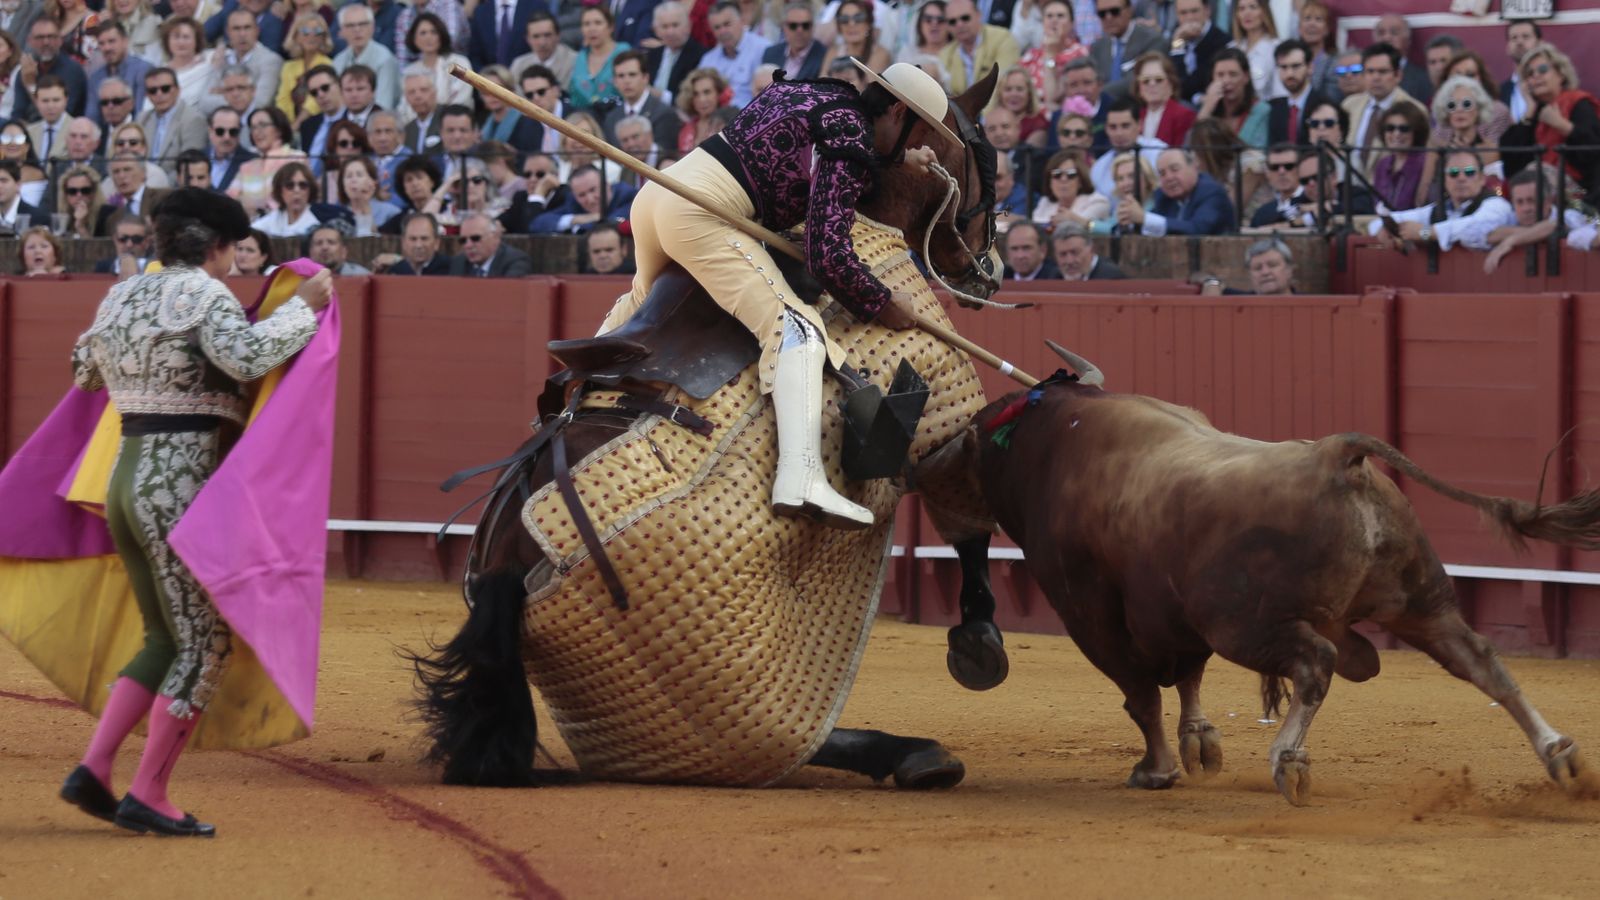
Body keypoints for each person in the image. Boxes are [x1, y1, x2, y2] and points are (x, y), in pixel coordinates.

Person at [62, 187, 331, 838]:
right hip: (177, 487)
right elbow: (245, 357)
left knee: (165, 637)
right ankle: (149, 791)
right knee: (203, 642)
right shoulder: (205, 294)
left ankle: (96, 768)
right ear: (213, 244)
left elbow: (82, 373)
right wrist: (302, 313)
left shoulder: (123, 293)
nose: (236, 263)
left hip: (126, 482)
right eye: (234, 249)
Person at [597, 61, 952, 530]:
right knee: (799, 329)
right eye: (917, 133)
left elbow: (827, 143)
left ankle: (576, 403)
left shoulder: (820, 95)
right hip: (701, 213)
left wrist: (898, 160)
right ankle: (801, 477)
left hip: (659, 195)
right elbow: (827, 254)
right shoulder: (849, 137)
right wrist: (883, 301)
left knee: (640, 311)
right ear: (899, 111)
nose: (915, 145)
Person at [1500, 42, 1600, 201]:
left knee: (1538, 173)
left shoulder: (1579, 103)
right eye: (1529, 74)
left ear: (1561, 74)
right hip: (1536, 193)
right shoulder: (1534, 113)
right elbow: (1511, 164)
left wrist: (1561, 125)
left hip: (1581, 192)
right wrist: (1529, 110)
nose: (1536, 76)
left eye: (1543, 70)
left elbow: (1593, 151)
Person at [1368, 149, 1511, 252]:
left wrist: (1425, 232)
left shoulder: (1496, 204)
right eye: (1453, 173)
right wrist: (1384, 229)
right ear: (1445, 181)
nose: (1461, 178)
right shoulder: (1437, 209)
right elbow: (1377, 223)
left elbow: (1476, 227)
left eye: (1469, 172)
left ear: (1482, 179)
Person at [1483, 168, 1600, 272]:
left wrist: (1510, 241)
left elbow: (1553, 225)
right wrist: (1532, 233)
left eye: (1532, 201)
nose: (1526, 208)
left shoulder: (1570, 215)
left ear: (1548, 201)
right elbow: (1492, 234)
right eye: (1519, 202)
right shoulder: (1511, 215)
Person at [1343, 43, 1424, 177]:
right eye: (1370, 71)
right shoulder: (1349, 105)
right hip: (1349, 189)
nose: (1376, 78)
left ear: (1398, 75)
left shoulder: (1415, 110)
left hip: (1391, 191)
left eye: (1382, 71)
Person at [1121, 146, 1234, 235]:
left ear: (1194, 167)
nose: (1169, 178)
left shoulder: (1212, 192)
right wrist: (1129, 221)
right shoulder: (1163, 196)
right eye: (1162, 173)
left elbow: (1197, 229)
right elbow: (1154, 225)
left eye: (1175, 169)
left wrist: (1144, 218)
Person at [229, 106, 306, 216]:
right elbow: (230, 200)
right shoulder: (246, 167)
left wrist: (253, 205)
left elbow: (292, 198)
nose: (257, 132)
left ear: (279, 130)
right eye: (253, 127)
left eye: (263, 125)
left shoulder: (297, 158)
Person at [941, 0, 1020, 94]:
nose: (959, 24)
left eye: (965, 18)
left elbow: (1003, 86)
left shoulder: (1003, 39)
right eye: (952, 21)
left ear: (978, 15)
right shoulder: (945, 55)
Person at [1017, 0, 1087, 107]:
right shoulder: (1030, 57)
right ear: (1043, 22)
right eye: (1049, 16)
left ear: (1071, 23)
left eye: (1060, 16)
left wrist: (1050, 55)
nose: (1054, 20)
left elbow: (1053, 99)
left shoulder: (1081, 54)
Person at [1195, 47, 1266, 148]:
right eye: (1220, 75)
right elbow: (1192, 147)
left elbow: (1256, 151)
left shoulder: (1262, 111)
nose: (1226, 80)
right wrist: (1207, 108)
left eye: (1233, 74)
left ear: (1246, 77)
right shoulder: (1205, 110)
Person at [1088, 0, 1157, 96]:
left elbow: (1138, 80)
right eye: (1102, 14)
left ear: (1130, 10)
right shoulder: (1097, 47)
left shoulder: (1151, 40)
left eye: (1115, 11)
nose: (1108, 18)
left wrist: (1100, 93)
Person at [1371, 102, 1429, 212]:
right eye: (1390, 128)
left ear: (1416, 132)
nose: (1396, 134)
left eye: (1404, 129)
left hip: (1418, 227)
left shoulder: (1425, 163)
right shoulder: (1382, 165)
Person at [1032, 148, 1108, 230]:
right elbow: (1036, 227)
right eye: (1057, 174)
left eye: (1071, 174)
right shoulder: (1045, 202)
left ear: (1080, 181)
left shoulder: (1097, 202)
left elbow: (1091, 228)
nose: (1063, 179)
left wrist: (1075, 219)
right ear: (1049, 181)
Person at [1168, 0, 1226, 106]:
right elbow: (1172, 82)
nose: (1189, 18)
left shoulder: (1221, 42)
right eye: (1183, 13)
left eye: (1194, 11)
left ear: (1207, 11)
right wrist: (1178, 43)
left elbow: (1187, 87)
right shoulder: (1177, 37)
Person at [1131, 52, 1192, 147]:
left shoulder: (1184, 115)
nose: (1152, 84)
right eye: (1146, 80)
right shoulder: (1134, 117)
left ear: (1171, 84)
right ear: (1139, 87)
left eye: (1158, 79)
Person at [448, 210, 532, 276]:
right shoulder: (459, 263)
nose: (468, 245)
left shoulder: (515, 261)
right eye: (463, 240)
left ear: (495, 237)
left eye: (475, 238)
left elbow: (507, 293)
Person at [821, 0, 891, 76]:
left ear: (868, 23)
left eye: (858, 18)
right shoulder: (833, 53)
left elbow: (871, 86)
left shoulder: (880, 55)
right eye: (844, 19)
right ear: (839, 26)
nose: (851, 24)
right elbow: (821, 83)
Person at [1227, 0, 1278, 101]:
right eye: (1241, 9)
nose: (1247, 13)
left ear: (1264, 11)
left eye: (1253, 7)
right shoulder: (1230, 48)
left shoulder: (1275, 47)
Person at [252, 160, 321, 235]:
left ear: (310, 190)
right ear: (280, 191)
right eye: (290, 185)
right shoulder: (271, 219)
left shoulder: (316, 224)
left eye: (303, 185)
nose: (296, 190)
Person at [336, 154, 400, 235]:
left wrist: (364, 205)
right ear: (342, 185)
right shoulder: (337, 215)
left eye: (359, 175)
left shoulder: (391, 213)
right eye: (348, 176)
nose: (353, 180)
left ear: (373, 182)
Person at [763, 1, 825, 81]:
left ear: (812, 27)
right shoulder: (771, 54)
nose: (799, 30)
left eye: (805, 25)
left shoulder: (824, 57)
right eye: (793, 26)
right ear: (783, 27)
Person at [372, 210, 450, 274]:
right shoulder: (395, 271)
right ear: (403, 242)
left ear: (436, 242)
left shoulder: (451, 269)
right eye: (413, 239)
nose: (418, 245)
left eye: (424, 238)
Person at [676, 66, 731, 155]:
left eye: (707, 92)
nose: (702, 99)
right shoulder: (685, 129)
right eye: (696, 94)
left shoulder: (729, 124)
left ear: (719, 93)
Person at [1054, 222, 1124, 278]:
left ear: (1091, 250)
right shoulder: (1055, 277)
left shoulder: (1111, 277)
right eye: (1062, 254)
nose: (1069, 261)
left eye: (1075, 253)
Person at [93, 211, 153, 276]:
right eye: (123, 239)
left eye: (136, 239)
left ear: (147, 242)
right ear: (115, 240)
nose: (129, 244)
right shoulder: (102, 268)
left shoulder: (157, 268)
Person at [57, 164, 105, 239]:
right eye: (72, 191)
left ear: (94, 192)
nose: (79, 195)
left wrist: (80, 226)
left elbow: (96, 249)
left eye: (85, 190)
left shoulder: (106, 215)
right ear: (65, 194)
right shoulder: (61, 217)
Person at [305, 223, 370, 274]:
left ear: (343, 252)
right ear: (311, 252)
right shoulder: (300, 278)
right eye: (319, 243)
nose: (324, 247)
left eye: (331, 242)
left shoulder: (361, 276)